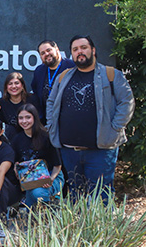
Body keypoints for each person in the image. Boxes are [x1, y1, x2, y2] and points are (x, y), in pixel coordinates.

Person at [46, 35, 134, 200]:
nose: (80, 52)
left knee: (101, 194)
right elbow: (51, 102)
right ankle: (76, 226)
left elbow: (127, 102)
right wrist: (51, 125)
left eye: (83, 48)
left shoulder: (111, 74)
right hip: (69, 150)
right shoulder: (64, 77)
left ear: (93, 50)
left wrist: (115, 128)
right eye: (75, 49)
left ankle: (101, 227)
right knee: (75, 194)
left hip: (101, 150)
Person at [12, 104, 63, 207]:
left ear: (34, 118)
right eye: (21, 118)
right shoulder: (17, 139)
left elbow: (58, 165)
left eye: (28, 117)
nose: (24, 121)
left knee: (38, 193)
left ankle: (52, 204)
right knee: (31, 204)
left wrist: (50, 180)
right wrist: (16, 168)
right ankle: (36, 218)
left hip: (51, 175)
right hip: (30, 179)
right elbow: (16, 162)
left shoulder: (45, 136)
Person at [31, 40, 75, 122]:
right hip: (48, 120)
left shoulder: (72, 67)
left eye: (49, 50)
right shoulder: (39, 71)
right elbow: (36, 93)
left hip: (69, 119)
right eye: (42, 53)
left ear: (57, 49)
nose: (46, 54)